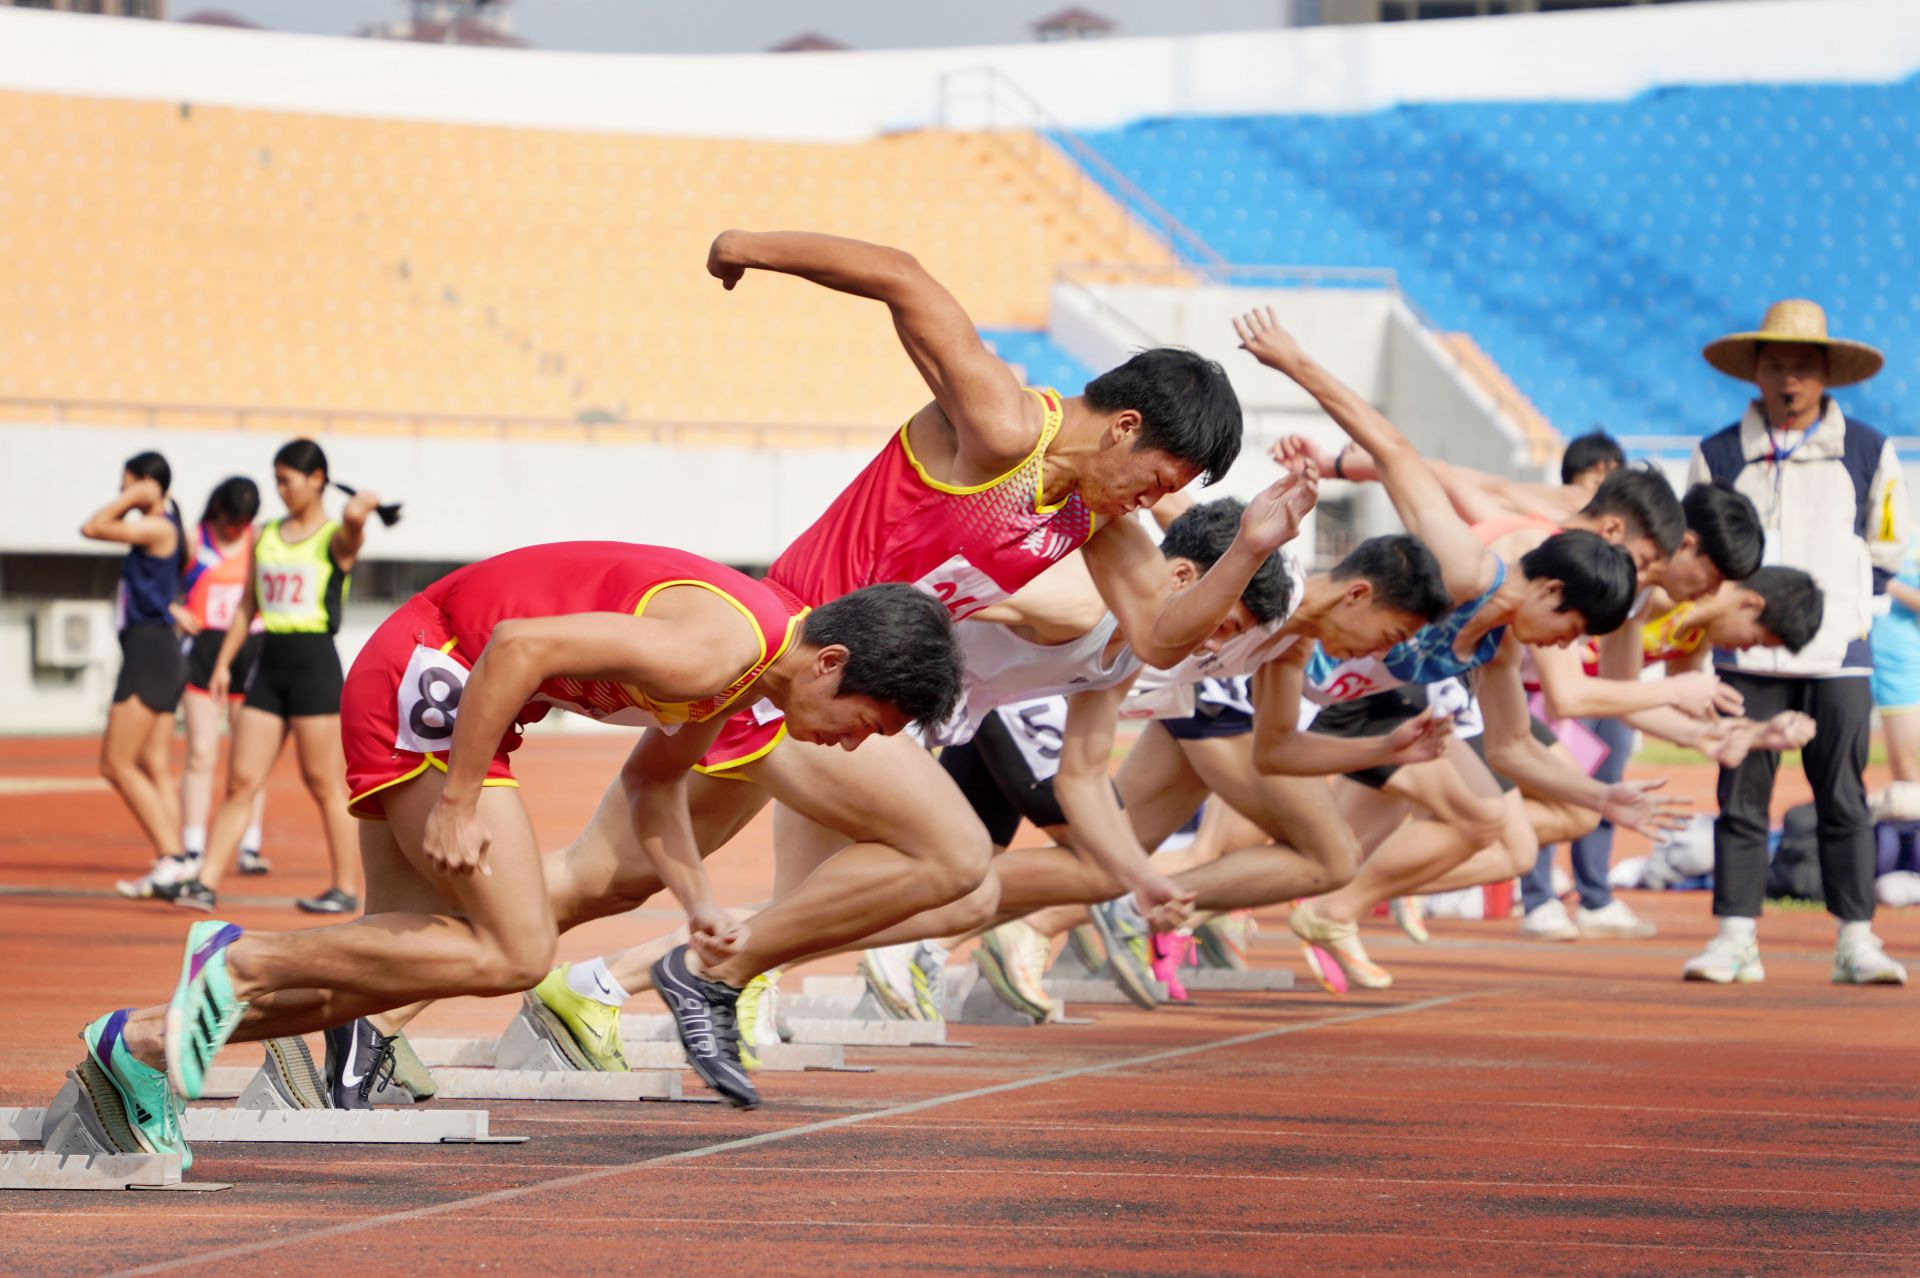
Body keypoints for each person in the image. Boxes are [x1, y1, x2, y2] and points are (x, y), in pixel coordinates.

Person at [79, 545, 965, 1169]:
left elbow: (655, 787)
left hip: (429, 677)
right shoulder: (722, 649)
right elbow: (520, 645)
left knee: (381, 968)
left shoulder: (750, 668)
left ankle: (144, 1043)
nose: (855, 748)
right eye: (869, 725)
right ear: (833, 664)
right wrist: (461, 797)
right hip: (436, 676)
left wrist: (695, 897)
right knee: (516, 951)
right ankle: (242, 961)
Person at [1684, 299, 1909, 986]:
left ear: (1827, 375)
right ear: (1753, 371)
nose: (1788, 381)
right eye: (1776, 365)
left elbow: (1891, 544)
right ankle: (1735, 939)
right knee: (1740, 795)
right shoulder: (1717, 453)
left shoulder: (1869, 450)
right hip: (1746, 652)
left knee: (1843, 796)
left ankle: (1856, 940)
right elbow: (1696, 553)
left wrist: (1842, 616)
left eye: (1803, 368)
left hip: (1838, 654)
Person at [158, 440, 399, 915]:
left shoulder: (333, 536)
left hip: (314, 666)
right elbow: (248, 604)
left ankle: (345, 887)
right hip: (267, 665)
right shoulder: (265, 533)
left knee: (324, 782)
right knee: (242, 780)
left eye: (287, 479)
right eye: (277, 479)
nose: (280, 488)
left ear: (317, 480)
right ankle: (204, 882)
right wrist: (226, 662)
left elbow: (352, 536)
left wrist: (358, 514)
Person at [117, 477, 272, 899]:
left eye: (245, 520)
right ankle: (192, 844)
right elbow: (158, 587)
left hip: (249, 648)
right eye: (231, 518)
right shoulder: (192, 539)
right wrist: (174, 611)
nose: (237, 526)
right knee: (202, 751)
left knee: (248, 757)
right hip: (201, 652)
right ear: (216, 509)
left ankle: (250, 844)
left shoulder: (261, 540)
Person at [81, 451, 188, 879]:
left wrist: (131, 499)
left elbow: (92, 528)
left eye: (125, 483)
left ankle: (171, 858)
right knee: (153, 765)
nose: (119, 492)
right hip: (156, 651)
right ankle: (178, 858)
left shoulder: (159, 526)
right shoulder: (169, 525)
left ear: (147, 483)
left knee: (116, 764)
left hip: (151, 654)